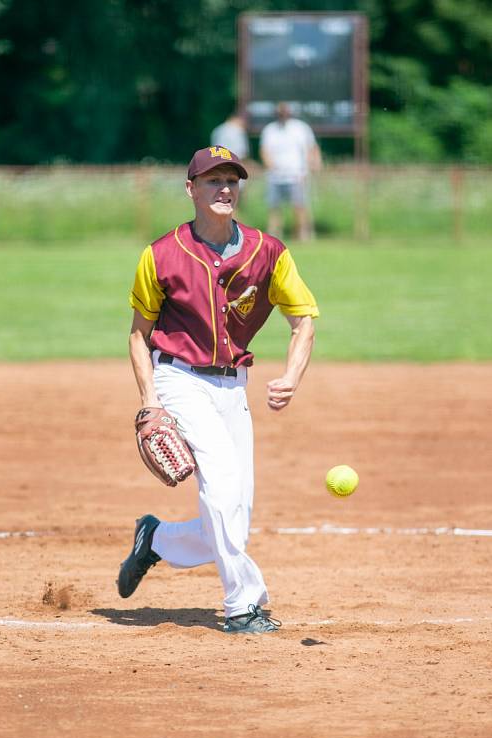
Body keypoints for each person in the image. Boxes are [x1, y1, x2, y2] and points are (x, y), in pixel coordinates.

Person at [117, 145, 319, 635]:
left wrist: (291, 376)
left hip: (234, 388)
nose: (225, 188)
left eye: (232, 179)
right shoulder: (161, 254)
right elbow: (139, 335)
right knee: (223, 487)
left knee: (233, 516)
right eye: (212, 180)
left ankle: (157, 538)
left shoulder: (267, 251)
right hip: (179, 378)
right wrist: (150, 401)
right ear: (191, 189)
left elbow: (303, 319)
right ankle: (243, 606)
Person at [260, 102, 322, 240]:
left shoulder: (301, 128)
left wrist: (313, 164)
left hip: (296, 175)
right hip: (275, 176)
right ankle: (273, 236)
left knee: (299, 206)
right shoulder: (269, 130)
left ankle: (303, 235)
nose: (282, 115)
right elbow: (264, 150)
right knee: (274, 208)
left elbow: (311, 147)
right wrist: (270, 165)